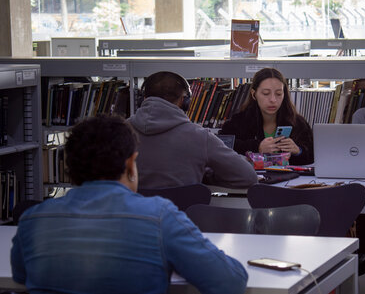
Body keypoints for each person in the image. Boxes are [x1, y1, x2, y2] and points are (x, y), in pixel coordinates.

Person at [10, 115, 248, 294]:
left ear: (68, 168)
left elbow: (20, 274)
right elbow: (229, 282)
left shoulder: (33, 220)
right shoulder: (159, 217)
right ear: (131, 163)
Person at [128, 71, 257, 189]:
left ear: (143, 99)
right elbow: (248, 177)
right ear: (184, 102)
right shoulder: (200, 136)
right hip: (182, 213)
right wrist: (204, 175)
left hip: (127, 213)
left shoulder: (118, 131)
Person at [219, 67, 314, 165]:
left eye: (278, 94)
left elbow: (313, 155)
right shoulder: (239, 121)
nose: (273, 99)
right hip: (252, 178)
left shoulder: (298, 123)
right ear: (253, 94)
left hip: (291, 178)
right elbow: (223, 145)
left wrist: (298, 151)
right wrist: (257, 148)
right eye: (266, 93)